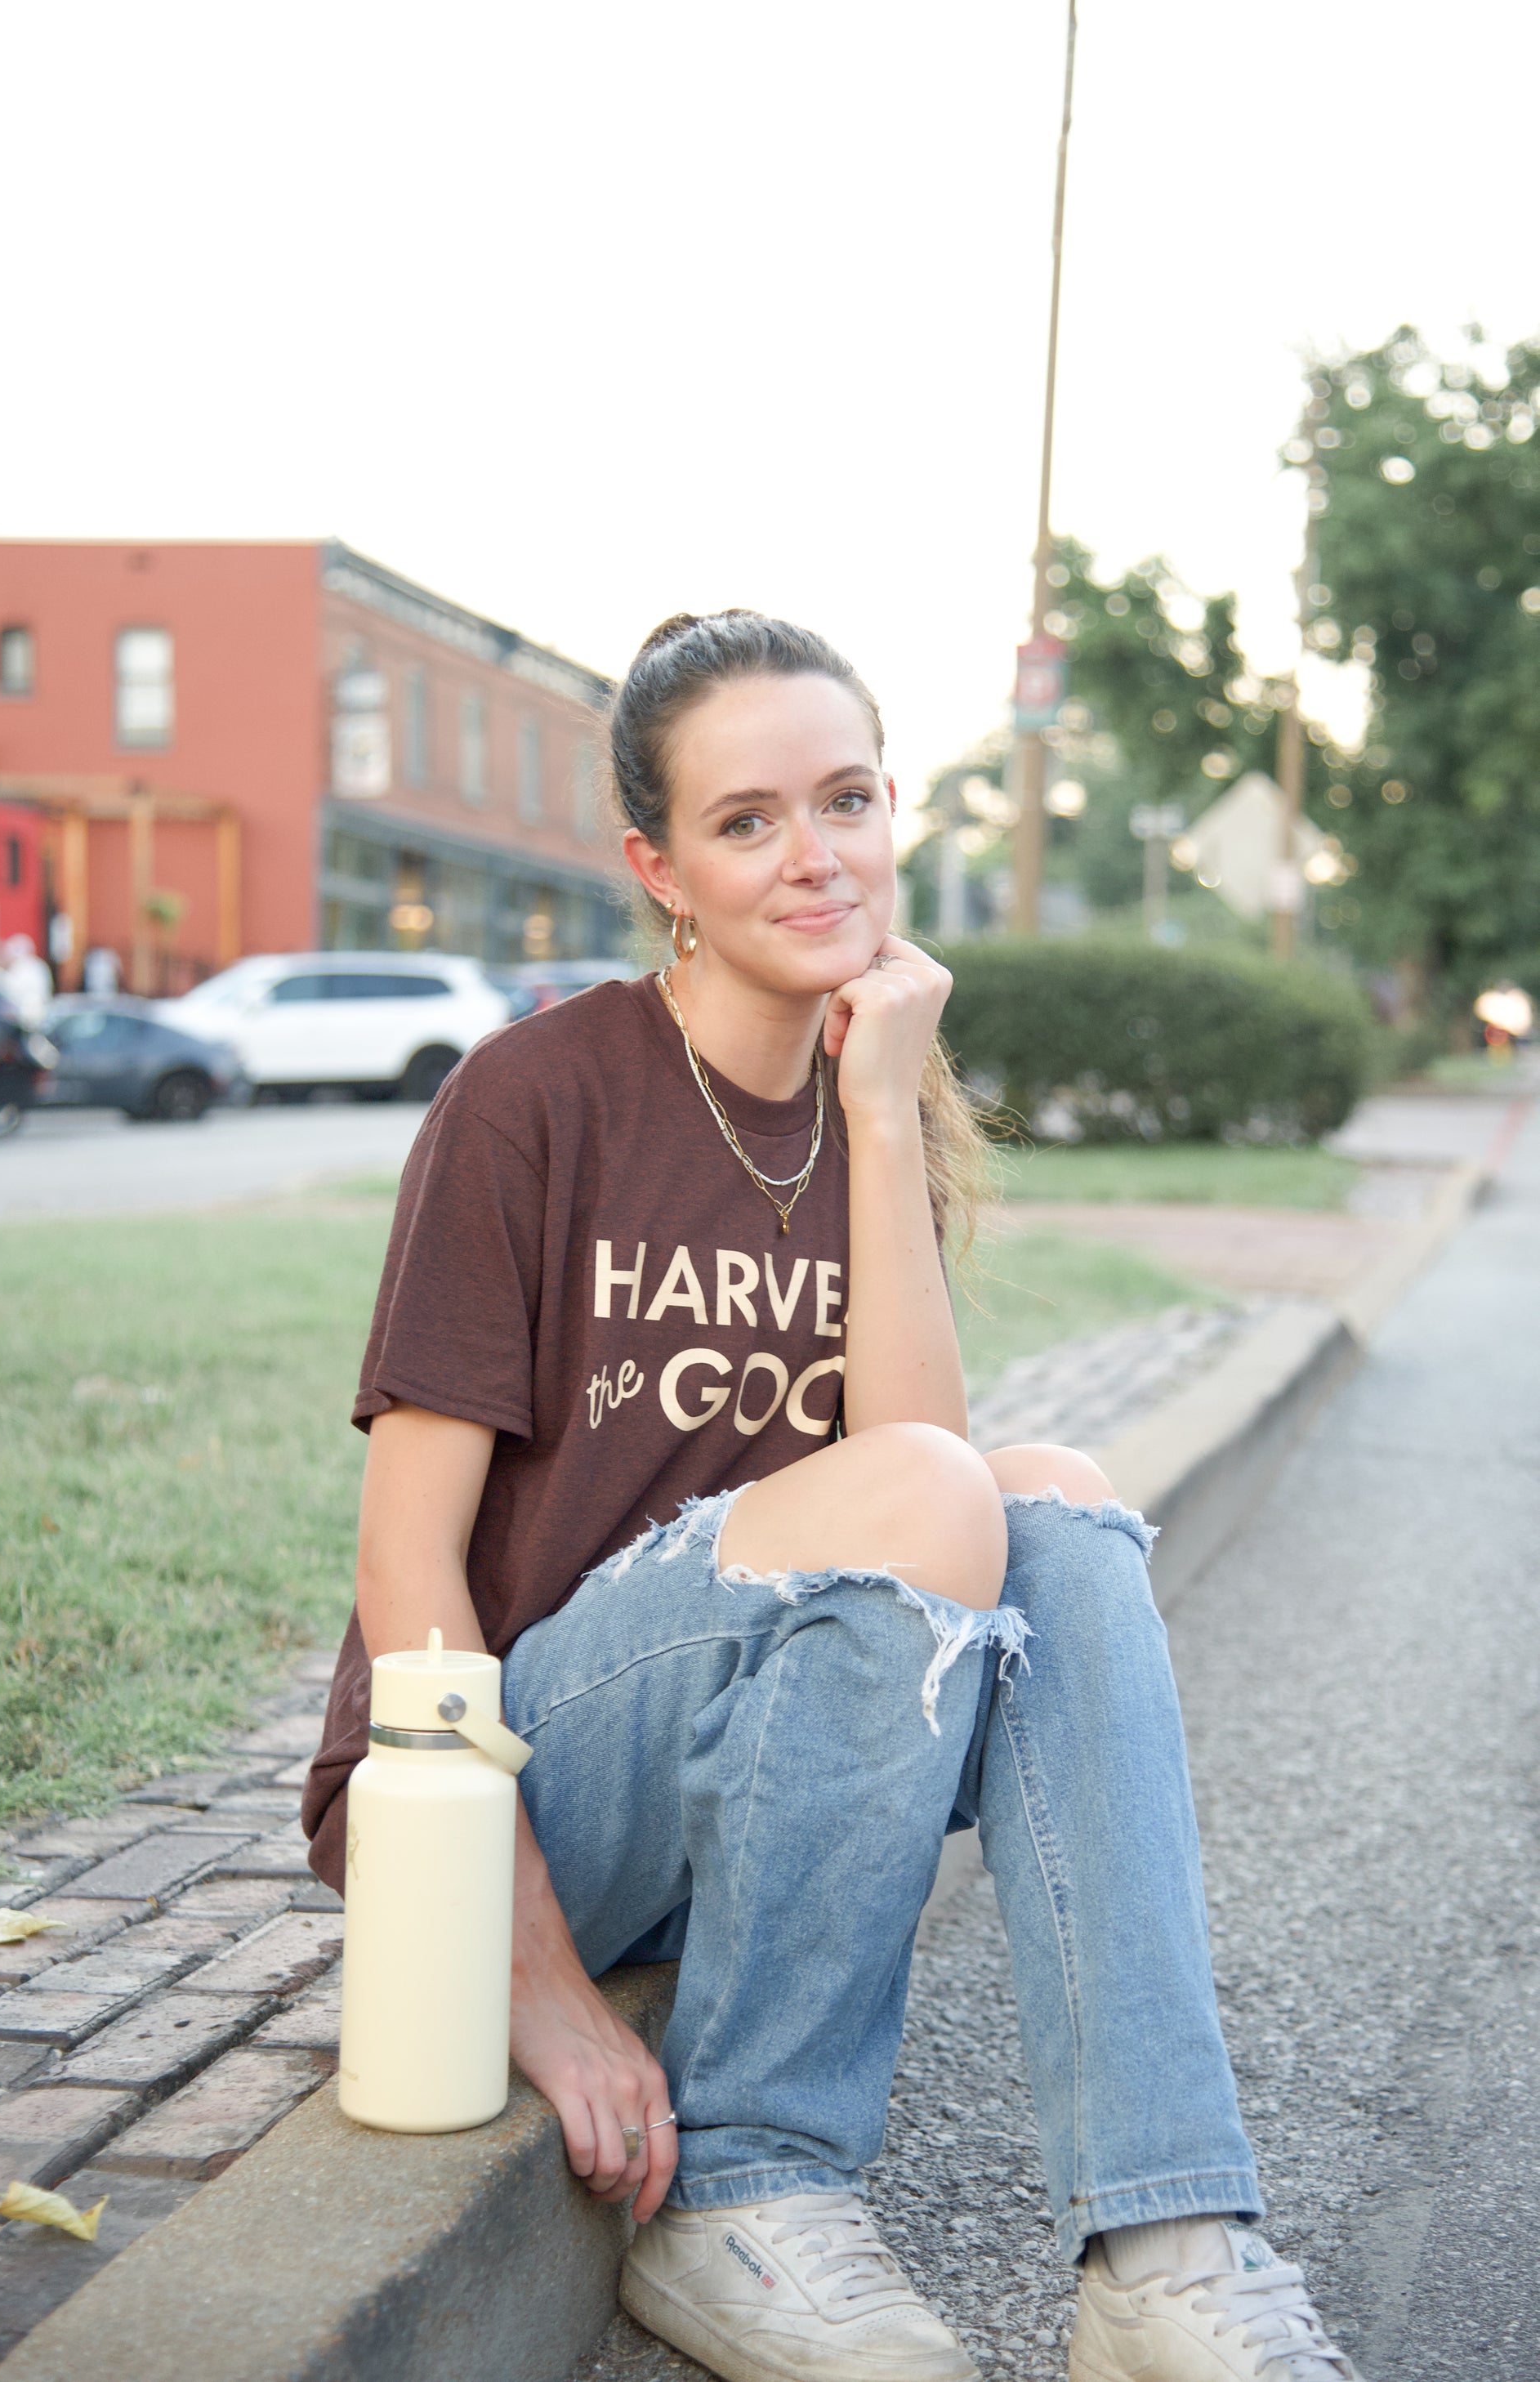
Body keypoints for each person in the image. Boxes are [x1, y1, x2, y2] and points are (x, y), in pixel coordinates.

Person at [303, 613, 1363, 2382]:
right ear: (659, 868)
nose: (814, 856)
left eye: (848, 799)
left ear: (895, 815)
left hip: (766, 1751)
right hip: (521, 1792)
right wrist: (530, 1979)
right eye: (746, 822)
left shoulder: (876, 1112)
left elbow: (929, 1497)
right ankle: (744, 2184)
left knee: (1058, 1507)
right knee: (970, 1494)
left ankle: (1167, 2246)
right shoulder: (532, 1100)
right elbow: (405, 1562)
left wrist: (880, 1118)